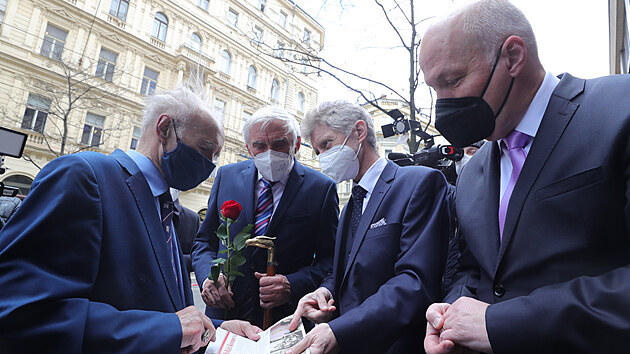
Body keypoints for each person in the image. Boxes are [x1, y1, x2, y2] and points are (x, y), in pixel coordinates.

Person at [419, 1, 630, 353]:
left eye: (452, 80)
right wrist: (449, 316)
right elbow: (473, 270)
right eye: (434, 88)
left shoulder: (619, 107)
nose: (442, 104)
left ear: (513, 57)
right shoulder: (471, 174)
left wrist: (501, 324)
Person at [0, 85, 261, 353]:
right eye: (205, 149)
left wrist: (212, 332)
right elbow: (19, 307)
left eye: (216, 156)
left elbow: (165, 313)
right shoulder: (84, 176)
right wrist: (167, 330)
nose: (210, 166)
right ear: (164, 129)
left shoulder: (164, 207)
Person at [287, 101, 450, 354]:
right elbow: (345, 270)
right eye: (318, 152)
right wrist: (324, 291)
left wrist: (341, 330)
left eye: (327, 144)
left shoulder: (418, 183)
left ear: (359, 132)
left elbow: (415, 282)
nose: (323, 159)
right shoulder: (351, 205)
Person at [192, 106, 338, 328]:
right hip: (224, 315)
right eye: (260, 145)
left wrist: (292, 284)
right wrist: (207, 277)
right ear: (249, 149)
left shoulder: (321, 188)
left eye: (279, 143)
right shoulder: (226, 176)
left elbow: (330, 260)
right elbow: (204, 242)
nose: (270, 152)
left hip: (285, 319)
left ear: (296, 145)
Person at [171, 188, 202, 275]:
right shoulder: (139, 212)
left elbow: (198, 255)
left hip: (179, 284)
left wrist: (175, 260)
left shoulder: (192, 219)